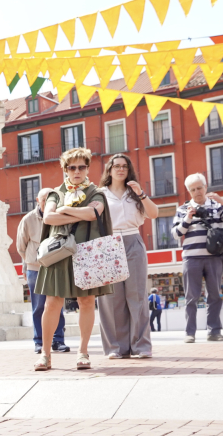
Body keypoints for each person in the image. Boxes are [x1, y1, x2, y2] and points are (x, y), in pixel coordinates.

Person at [33, 148, 113, 371]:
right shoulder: (55, 193)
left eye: (81, 167)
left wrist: (66, 209)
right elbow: (48, 217)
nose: (77, 171)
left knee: (86, 302)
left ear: (87, 168)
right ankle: (45, 354)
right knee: (52, 304)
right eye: (72, 167)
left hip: (87, 251)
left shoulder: (96, 193)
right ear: (65, 169)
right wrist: (80, 211)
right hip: (58, 252)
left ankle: (83, 352)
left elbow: (93, 214)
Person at [96, 153, 158, 358]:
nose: (120, 169)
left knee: (137, 296)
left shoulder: (135, 193)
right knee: (111, 299)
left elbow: (154, 213)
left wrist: (140, 193)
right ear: (110, 170)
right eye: (116, 166)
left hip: (133, 241)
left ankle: (141, 346)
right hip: (109, 242)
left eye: (124, 166)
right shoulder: (100, 193)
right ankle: (115, 348)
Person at [172, 173, 223, 343]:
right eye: (192, 189)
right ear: (189, 191)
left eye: (199, 188)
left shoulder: (217, 206)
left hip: (214, 257)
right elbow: (176, 233)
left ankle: (214, 332)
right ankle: (190, 333)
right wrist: (188, 218)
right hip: (191, 258)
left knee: (215, 295)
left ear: (205, 187)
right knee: (191, 297)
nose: (197, 192)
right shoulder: (182, 209)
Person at [16, 186, 68, 354]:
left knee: (57, 305)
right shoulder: (28, 219)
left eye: (50, 198)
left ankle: (58, 341)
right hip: (35, 269)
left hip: (56, 267)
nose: (47, 202)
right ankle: (39, 342)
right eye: (44, 199)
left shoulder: (59, 217)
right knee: (38, 307)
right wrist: (32, 260)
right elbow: (21, 246)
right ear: (37, 201)